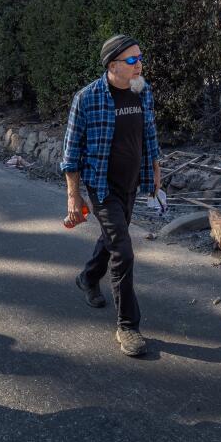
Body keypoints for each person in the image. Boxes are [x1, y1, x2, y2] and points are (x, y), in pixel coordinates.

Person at [61, 34, 162, 357]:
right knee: (123, 250)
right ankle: (128, 326)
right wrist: (73, 198)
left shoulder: (141, 92)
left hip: (132, 183)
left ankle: (88, 277)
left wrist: (156, 174)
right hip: (101, 187)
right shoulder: (87, 98)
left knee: (110, 239)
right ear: (113, 65)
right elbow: (71, 153)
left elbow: (151, 136)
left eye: (140, 58)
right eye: (132, 60)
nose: (139, 65)